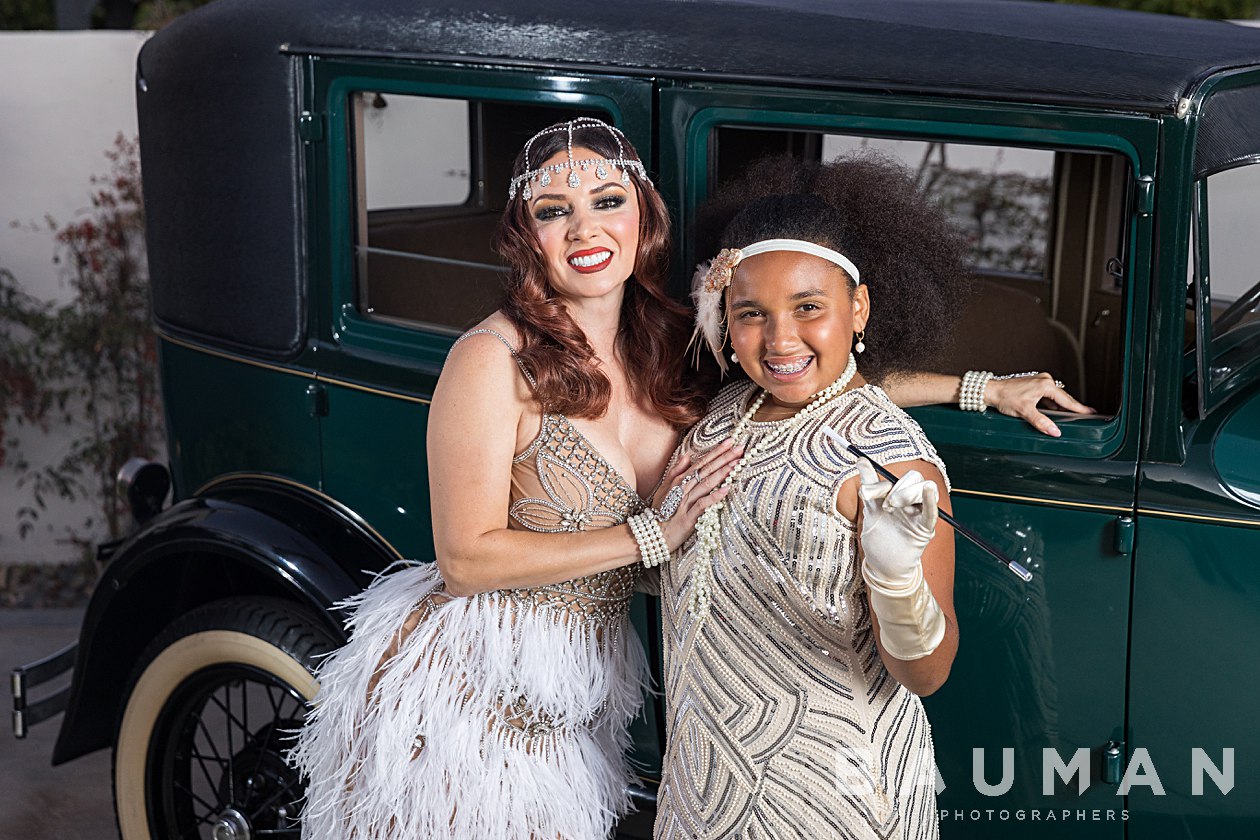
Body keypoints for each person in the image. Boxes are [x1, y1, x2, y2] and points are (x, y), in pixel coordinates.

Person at [290, 118, 1082, 840]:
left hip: (583, 692)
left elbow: (805, 368)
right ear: (526, 236)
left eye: (606, 199)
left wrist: (978, 389)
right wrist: (651, 532)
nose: (585, 228)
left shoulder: (670, 343)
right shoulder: (490, 359)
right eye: (552, 211)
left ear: (644, 218)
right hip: (476, 684)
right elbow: (465, 558)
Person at [654, 154, 977, 839]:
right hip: (706, 787)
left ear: (857, 308)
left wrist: (894, 577)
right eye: (751, 313)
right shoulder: (731, 406)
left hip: (832, 799)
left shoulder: (894, 462)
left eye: (809, 308)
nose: (780, 340)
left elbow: (927, 675)